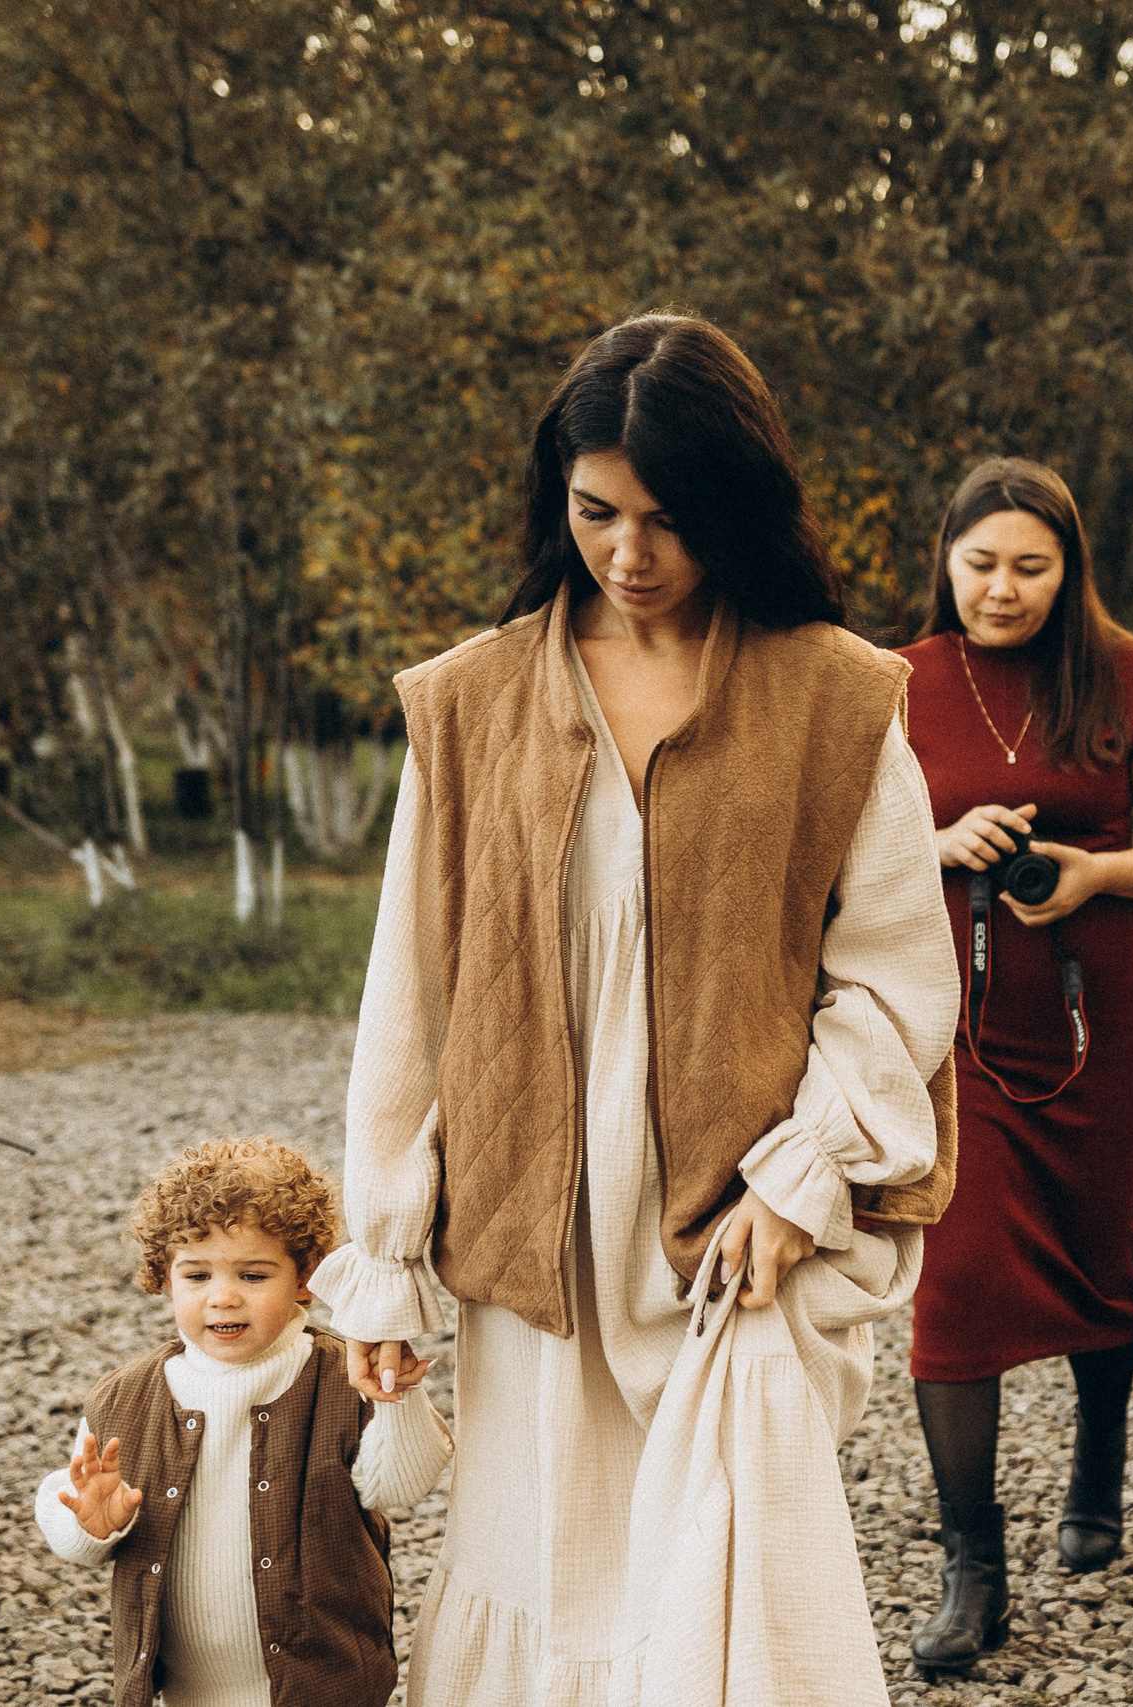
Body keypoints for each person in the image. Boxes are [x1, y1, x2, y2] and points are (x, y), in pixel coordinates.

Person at [310, 314, 960, 1707]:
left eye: (668, 518)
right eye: (595, 510)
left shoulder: (837, 696)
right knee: (549, 1572)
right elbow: (411, 994)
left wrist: (797, 1180)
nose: (628, 553)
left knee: (733, 1590)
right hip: (535, 1229)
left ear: (737, 502)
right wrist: (386, 1250)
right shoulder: (470, 702)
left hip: (736, 1230)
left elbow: (896, 972)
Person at [895, 458, 1133, 1673]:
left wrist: (1094, 872)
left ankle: (1097, 1467)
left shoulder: (1129, 675)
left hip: (1108, 1026)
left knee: (1099, 1252)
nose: (1002, 589)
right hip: (959, 1034)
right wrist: (937, 843)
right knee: (955, 1282)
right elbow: (839, 852)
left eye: (1031, 567)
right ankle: (973, 1569)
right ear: (946, 560)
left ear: (1068, 568)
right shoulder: (897, 683)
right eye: (981, 564)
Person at [34, 1136, 451, 1707]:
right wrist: (91, 1525)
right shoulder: (125, 1399)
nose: (223, 1298)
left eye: (253, 1276)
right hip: (185, 1692)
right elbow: (70, 1512)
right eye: (197, 1276)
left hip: (323, 1686)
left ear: (306, 1277)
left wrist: (395, 1396)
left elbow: (398, 1486)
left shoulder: (340, 1377)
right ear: (165, 1276)